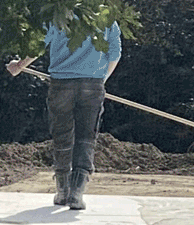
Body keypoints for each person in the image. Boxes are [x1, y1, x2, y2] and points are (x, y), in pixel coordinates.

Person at [6, 20, 122, 210]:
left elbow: (38, 46)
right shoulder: (107, 20)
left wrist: (19, 65)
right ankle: (76, 192)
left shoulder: (59, 15)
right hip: (92, 83)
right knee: (86, 137)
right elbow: (115, 54)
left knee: (62, 136)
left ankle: (63, 190)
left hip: (61, 83)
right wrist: (102, 80)